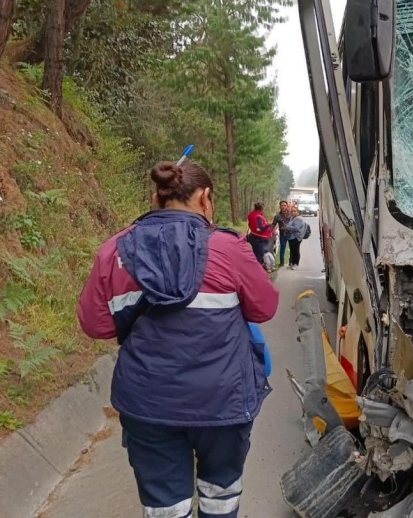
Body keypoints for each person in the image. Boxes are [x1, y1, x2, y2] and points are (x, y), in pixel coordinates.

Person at [77, 161, 280, 518]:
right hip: (224, 402)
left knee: (165, 506)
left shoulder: (117, 250)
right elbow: (264, 308)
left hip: (147, 404)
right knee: (220, 494)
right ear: (206, 198)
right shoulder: (230, 249)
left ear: (155, 197)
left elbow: (96, 325)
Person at [246, 202, 273, 266]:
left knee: (256, 254)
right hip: (259, 239)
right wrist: (268, 225)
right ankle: (257, 270)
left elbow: (250, 225)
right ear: (262, 208)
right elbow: (260, 228)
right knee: (259, 256)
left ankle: (256, 268)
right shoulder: (258, 216)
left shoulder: (251, 214)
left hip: (254, 236)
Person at [271, 201, 293, 267]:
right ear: (280, 207)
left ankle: (291, 262)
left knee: (292, 249)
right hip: (282, 234)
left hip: (291, 234)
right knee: (282, 248)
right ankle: (281, 263)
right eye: (282, 205)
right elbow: (273, 225)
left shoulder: (291, 214)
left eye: (284, 205)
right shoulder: (277, 216)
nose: (283, 207)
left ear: (287, 206)